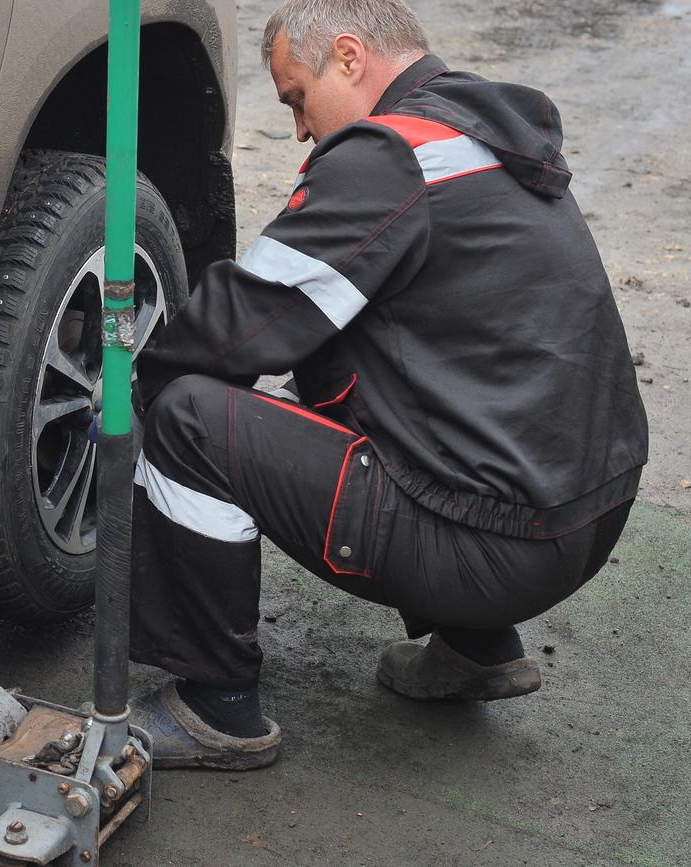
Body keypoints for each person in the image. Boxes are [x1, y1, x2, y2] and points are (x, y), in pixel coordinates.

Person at [124, 0, 649, 769]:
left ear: (347, 56)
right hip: (588, 518)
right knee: (375, 364)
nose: (299, 129)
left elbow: (245, 319)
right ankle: (477, 650)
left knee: (189, 418)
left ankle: (214, 705)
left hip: (494, 549)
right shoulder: (481, 134)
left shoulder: (391, 155)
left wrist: (134, 394)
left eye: (297, 97)